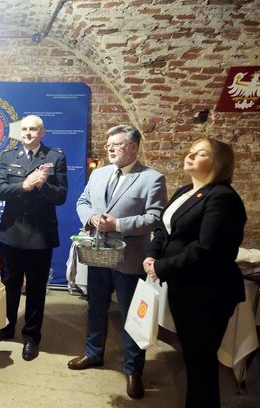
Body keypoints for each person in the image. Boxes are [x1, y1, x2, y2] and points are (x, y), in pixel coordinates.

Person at [144, 138, 246, 408]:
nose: (189, 156)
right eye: (190, 152)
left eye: (200, 153)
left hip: (207, 292)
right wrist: (152, 254)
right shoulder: (185, 191)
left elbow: (207, 248)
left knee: (201, 362)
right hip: (184, 287)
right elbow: (164, 229)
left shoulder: (222, 197)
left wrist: (161, 267)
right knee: (192, 357)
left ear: (218, 163)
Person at [67, 124, 167, 400]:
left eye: (116, 144)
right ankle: (93, 353)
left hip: (130, 258)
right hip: (98, 254)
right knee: (95, 308)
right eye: (108, 144)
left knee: (131, 316)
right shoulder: (99, 173)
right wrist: (91, 218)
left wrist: (118, 224)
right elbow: (83, 201)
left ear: (133, 147)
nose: (110, 148)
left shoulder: (152, 178)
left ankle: (133, 370)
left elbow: (155, 218)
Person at [0, 115, 67, 362]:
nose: (28, 133)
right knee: (9, 284)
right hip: (12, 233)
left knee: (36, 289)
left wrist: (43, 185)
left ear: (42, 132)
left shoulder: (55, 158)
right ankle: (6, 326)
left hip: (41, 236)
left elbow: (61, 196)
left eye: (33, 129)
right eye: (24, 129)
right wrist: (25, 185)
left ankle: (31, 336)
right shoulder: (8, 156)